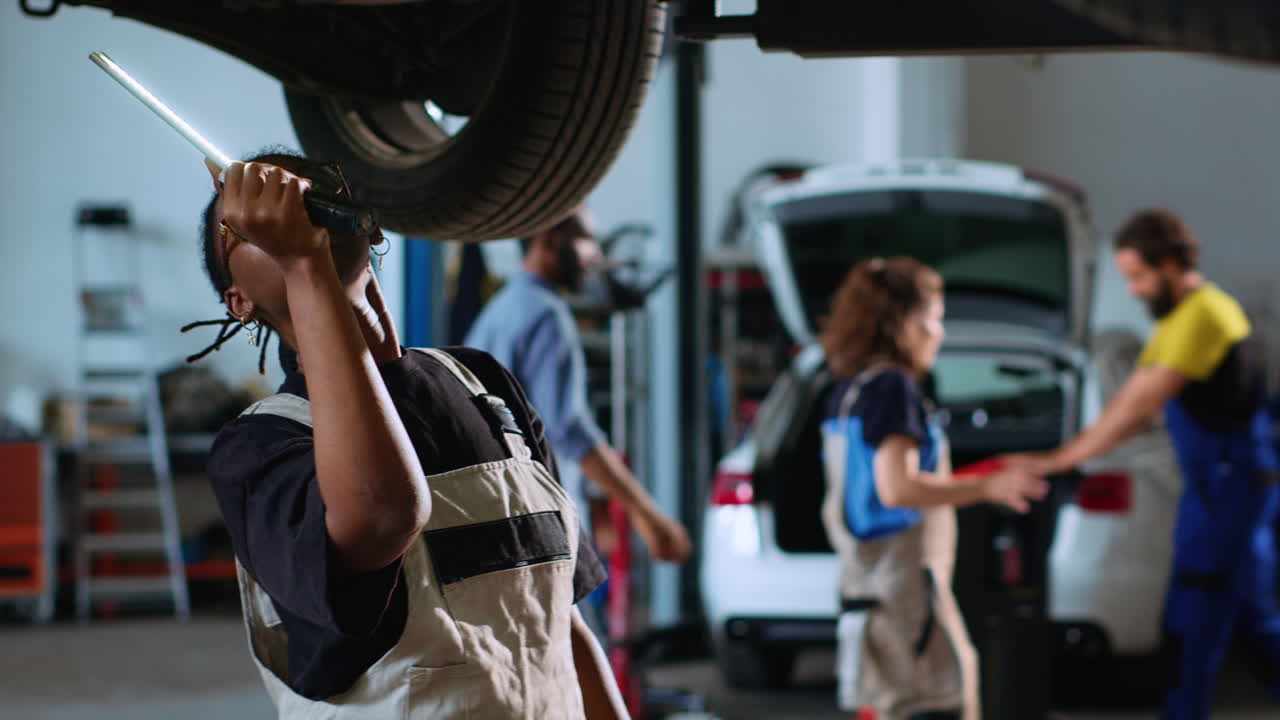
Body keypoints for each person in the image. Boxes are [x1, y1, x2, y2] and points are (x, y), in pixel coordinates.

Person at [190, 151, 628, 719]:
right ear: (239, 301)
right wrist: (305, 265)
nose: (292, 208)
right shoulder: (261, 447)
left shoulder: (484, 385)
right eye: (252, 218)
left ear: (366, 223)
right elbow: (382, 517)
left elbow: (562, 622)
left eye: (310, 191)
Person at [1005, 208, 1280, 720]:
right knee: (1216, 622)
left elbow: (1135, 408)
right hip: (1218, 492)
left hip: (1231, 492)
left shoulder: (1202, 315)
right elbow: (1129, 399)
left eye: (1138, 276)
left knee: (1213, 622)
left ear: (1172, 263)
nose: (1132, 289)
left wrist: (1056, 459)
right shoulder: (1182, 319)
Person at [819, 257, 1047, 720]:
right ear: (900, 321)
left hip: (869, 587)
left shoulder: (847, 390)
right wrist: (987, 487)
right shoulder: (893, 390)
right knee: (942, 698)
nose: (938, 334)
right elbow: (897, 489)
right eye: (933, 320)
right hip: (906, 598)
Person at [464, 208, 691, 568]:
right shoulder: (546, 315)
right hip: (540, 522)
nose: (596, 255)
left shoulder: (500, 310)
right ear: (550, 240)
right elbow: (570, 431)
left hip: (501, 517)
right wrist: (646, 513)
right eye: (586, 239)